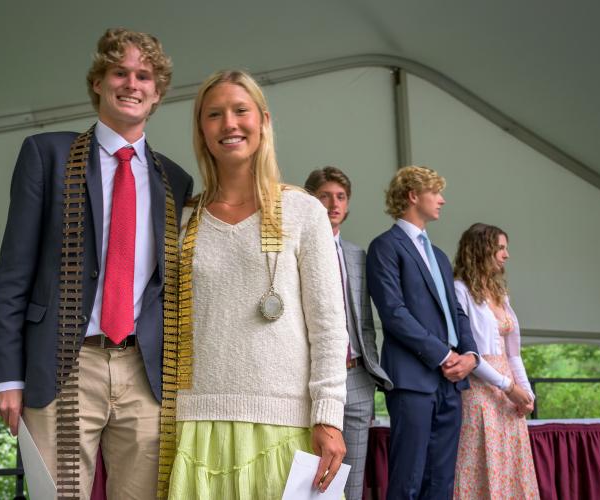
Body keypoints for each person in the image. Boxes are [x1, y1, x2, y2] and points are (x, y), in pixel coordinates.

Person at [0, 28, 193, 499]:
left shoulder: (174, 180)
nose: (131, 84)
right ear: (98, 81)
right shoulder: (47, 155)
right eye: (119, 72)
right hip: (64, 362)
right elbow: (13, 270)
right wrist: (6, 375)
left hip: (144, 372)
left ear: (157, 92)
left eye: (144, 76)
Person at [166, 70, 348, 499]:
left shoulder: (303, 210)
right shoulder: (182, 219)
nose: (229, 123)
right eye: (214, 114)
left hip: (287, 424)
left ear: (264, 121)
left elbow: (328, 326)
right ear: (202, 131)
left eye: (240, 110)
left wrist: (328, 416)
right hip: (196, 422)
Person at [366, 166, 480, 500]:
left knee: (442, 481)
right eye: (436, 192)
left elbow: (457, 312)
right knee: (408, 479)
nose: (442, 200)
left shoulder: (440, 257)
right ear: (413, 195)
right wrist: (444, 355)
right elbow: (393, 313)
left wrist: (471, 356)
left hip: (451, 381)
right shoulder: (385, 247)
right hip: (412, 379)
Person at [304, 166, 393, 500]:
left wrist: (370, 372)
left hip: (356, 378)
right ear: (311, 200)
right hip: (312, 380)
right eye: (324, 196)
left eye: (340, 197)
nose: (333, 203)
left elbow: (365, 323)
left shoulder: (357, 255)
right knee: (311, 478)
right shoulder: (294, 249)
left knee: (351, 483)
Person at [452, 223, 539, 499]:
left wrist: (526, 393)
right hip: (480, 389)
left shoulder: (501, 295)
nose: (506, 255)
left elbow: (513, 353)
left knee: (512, 466)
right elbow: (471, 353)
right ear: (481, 250)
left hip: (507, 392)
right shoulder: (460, 290)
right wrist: (508, 387)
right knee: (480, 463)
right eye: (500, 248)